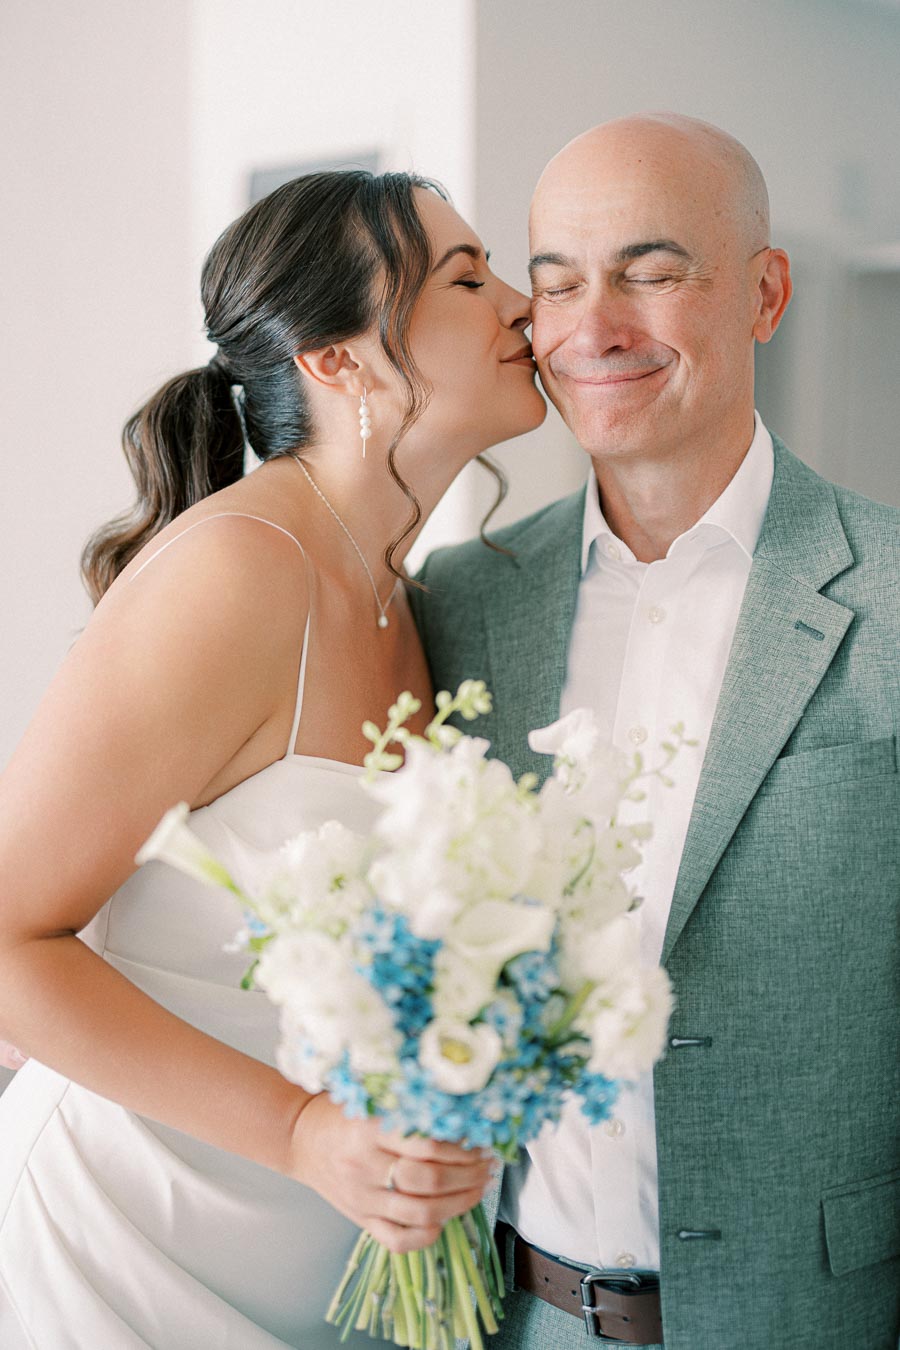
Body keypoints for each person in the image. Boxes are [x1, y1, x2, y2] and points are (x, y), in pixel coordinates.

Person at [0, 169, 547, 1348]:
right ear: (336, 360)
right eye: (467, 277)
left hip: (317, 1266)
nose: (522, 304)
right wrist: (302, 1133)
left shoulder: (414, 596)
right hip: (126, 1249)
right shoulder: (238, 573)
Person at [412, 114, 900, 1349]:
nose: (593, 326)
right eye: (558, 279)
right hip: (515, 1318)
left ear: (765, 294)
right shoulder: (458, 603)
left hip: (817, 1320)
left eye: (653, 270)